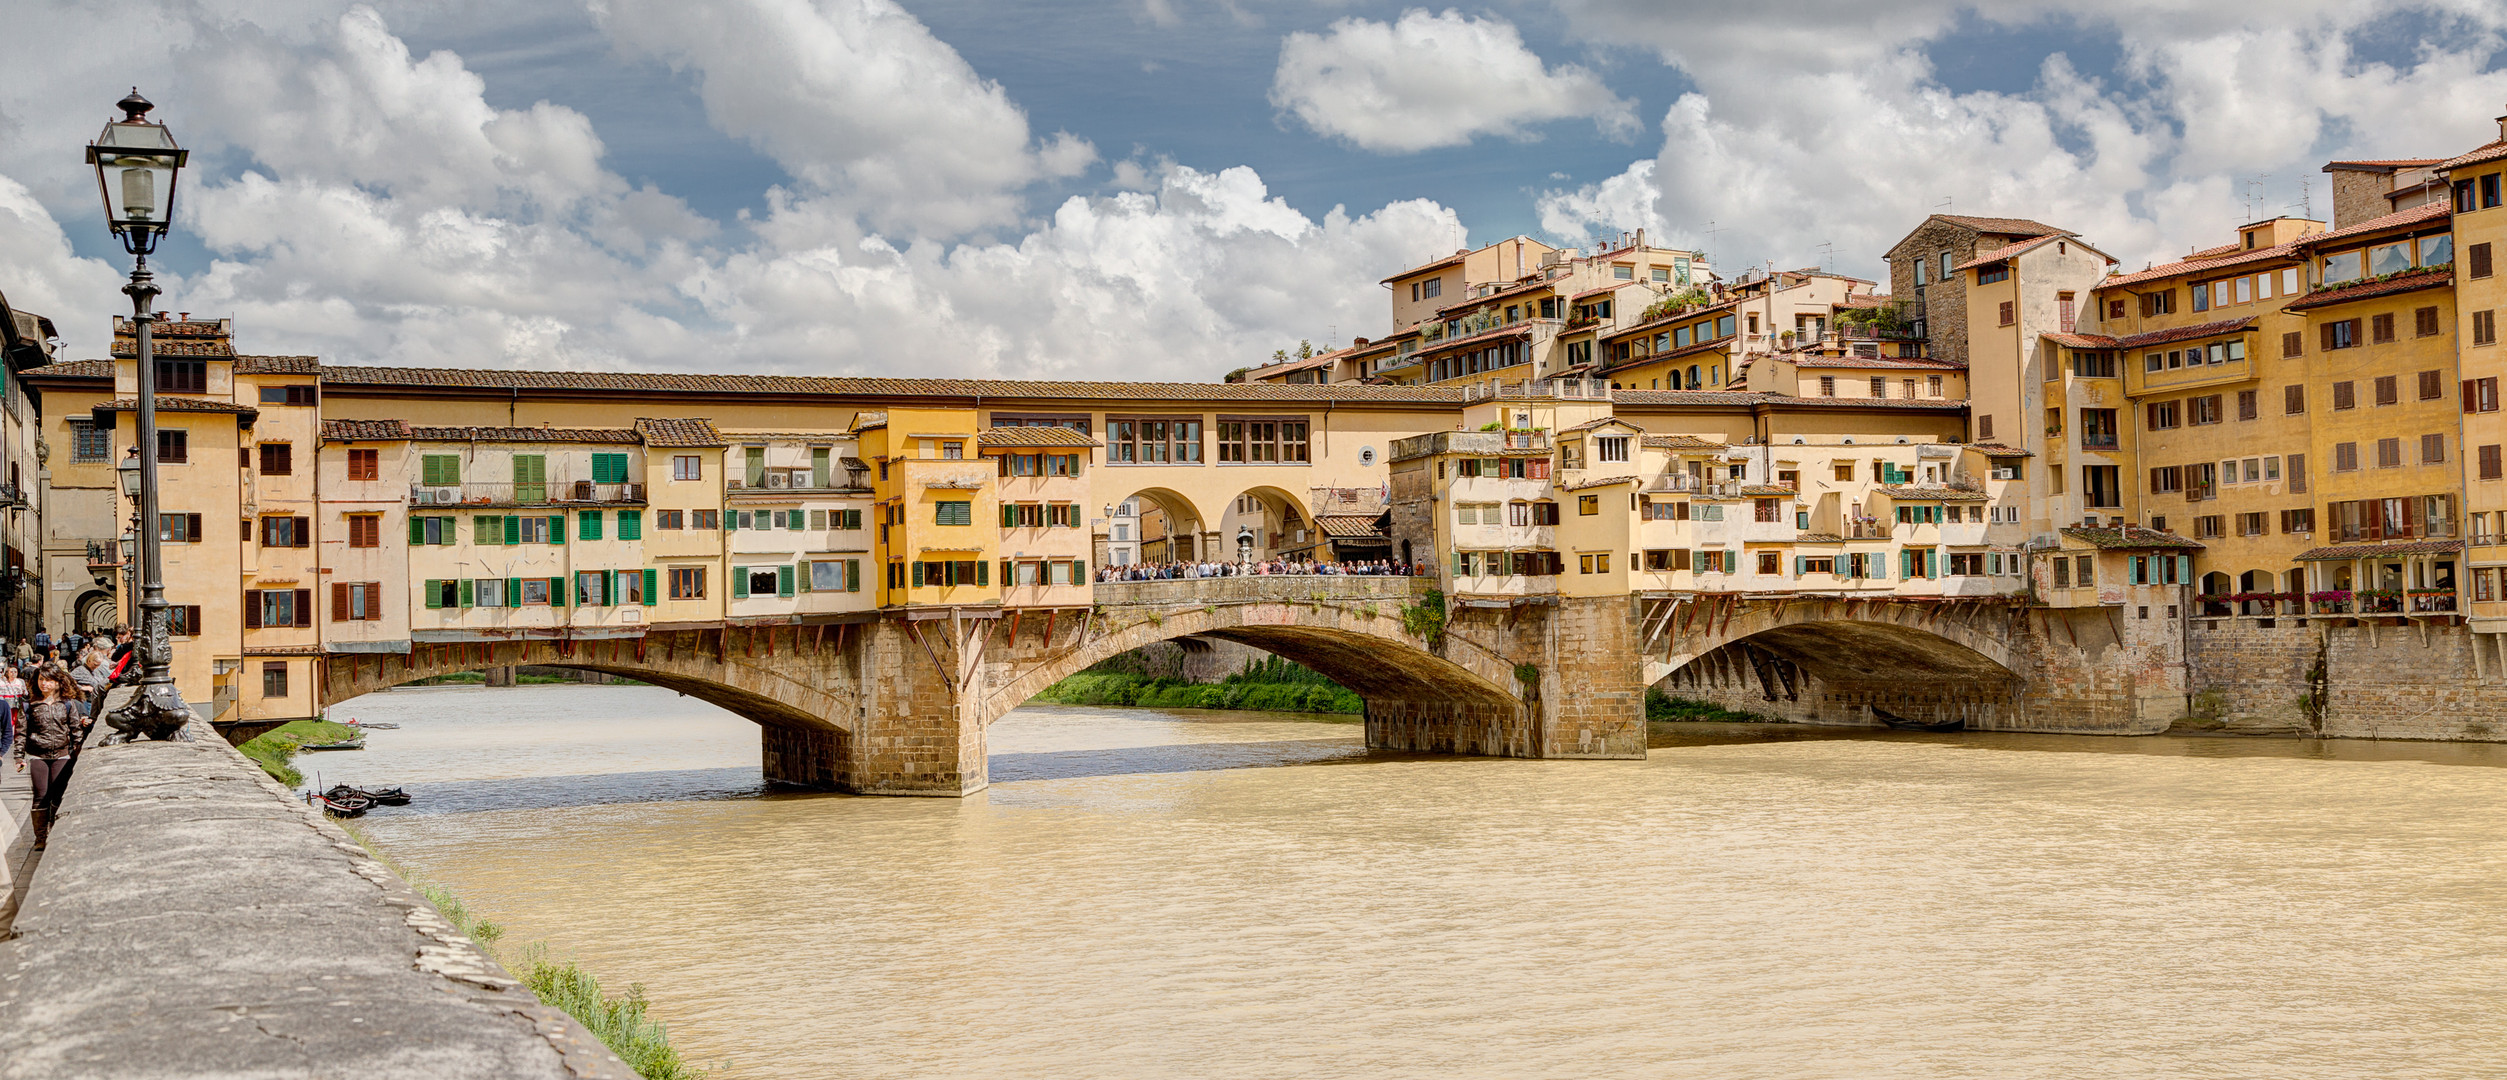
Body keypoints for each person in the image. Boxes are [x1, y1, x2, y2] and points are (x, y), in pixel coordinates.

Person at [16, 669, 88, 849]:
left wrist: (79, 750)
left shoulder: (67, 704)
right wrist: (19, 757)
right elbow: (21, 733)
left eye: (48, 680)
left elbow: (75, 730)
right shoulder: (29, 705)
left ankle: (55, 833)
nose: (44, 684)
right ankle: (40, 838)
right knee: (40, 795)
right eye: (41, 679)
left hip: (62, 755)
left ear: (57, 682)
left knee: (58, 795)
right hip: (37, 754)